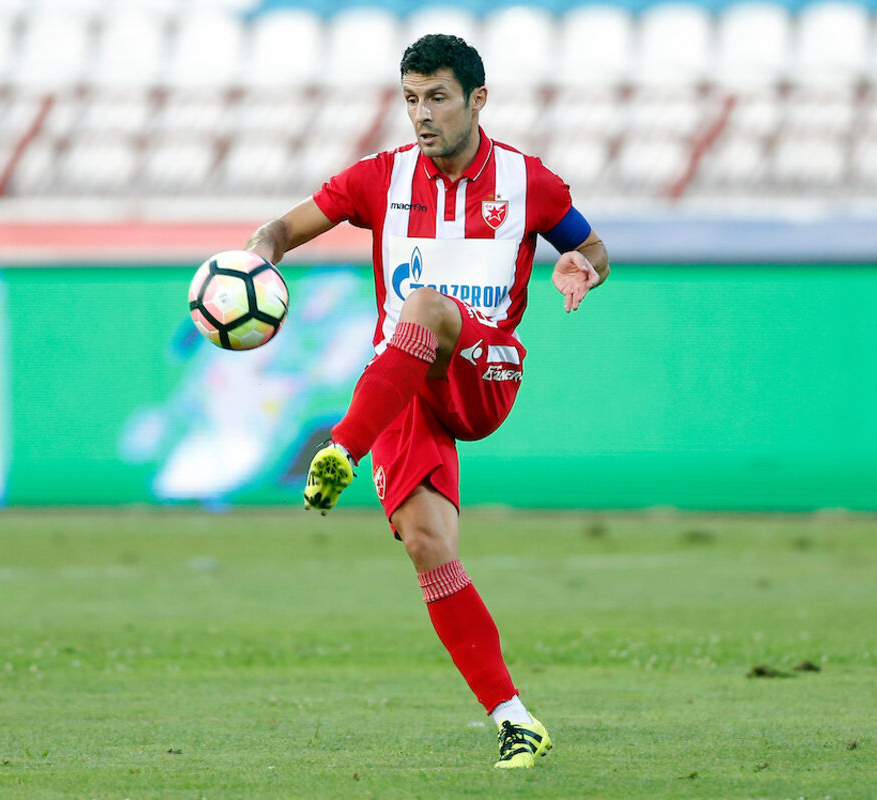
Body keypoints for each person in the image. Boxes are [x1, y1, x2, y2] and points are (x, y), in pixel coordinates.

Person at [245, 33, 608, 769]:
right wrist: (254, 262)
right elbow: (280, 230)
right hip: (403, 383)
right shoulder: (378, 179)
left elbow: (594, 246)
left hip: (484, 371)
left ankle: (340, 449)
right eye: (411, 99)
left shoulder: (529, 181)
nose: (421, 114)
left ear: (477, 100)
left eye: (437, 97)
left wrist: (582, 266)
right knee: (427, 545)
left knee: (427, 305)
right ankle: (515, 719)